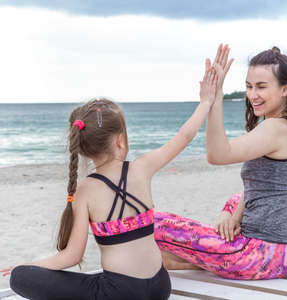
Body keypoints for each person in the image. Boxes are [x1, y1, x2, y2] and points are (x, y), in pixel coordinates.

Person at [1, 67, 218, 299]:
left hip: (121, 293)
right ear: (119, 139)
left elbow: (72, 256)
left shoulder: (85, 189)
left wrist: (31, 267)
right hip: (159, 287)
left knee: (20, 277)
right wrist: (206, 102)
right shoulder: (141, 167)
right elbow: (184, 137)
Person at [155, 44, 287, 280]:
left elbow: (217, 156)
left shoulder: (275, 128)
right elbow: (255, 188)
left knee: (151, 222)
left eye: (261, 87)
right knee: (235, 199)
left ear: (285, 89)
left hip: (264, 255)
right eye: (249, 86)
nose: (252, 95)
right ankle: (193, 260)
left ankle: (190, 261)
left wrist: (215, 99)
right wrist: (230, 218)